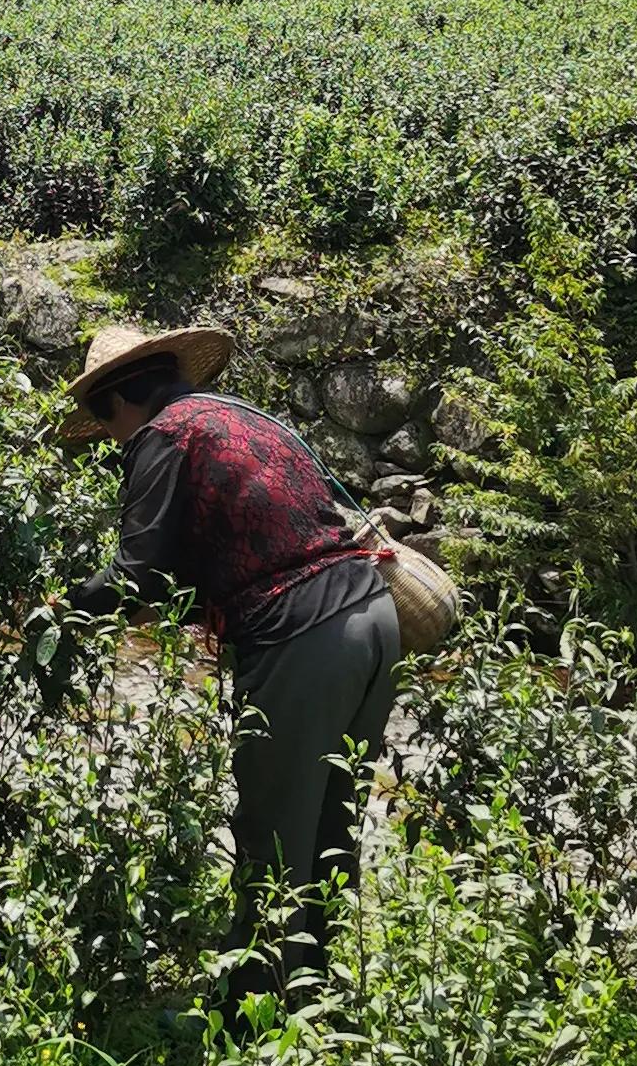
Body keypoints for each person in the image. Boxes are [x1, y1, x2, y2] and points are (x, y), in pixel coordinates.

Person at [60, 319, 400, 999]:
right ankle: (319, 993)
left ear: (118, 401)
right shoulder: (242, 419)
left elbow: (137, 575)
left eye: (105, 425)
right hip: (375, 616)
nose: (112, 440)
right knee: (329, 824)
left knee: (272, 833)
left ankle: (253, 1010)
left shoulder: (161, 436)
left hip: (305, 636)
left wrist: (62, 611)